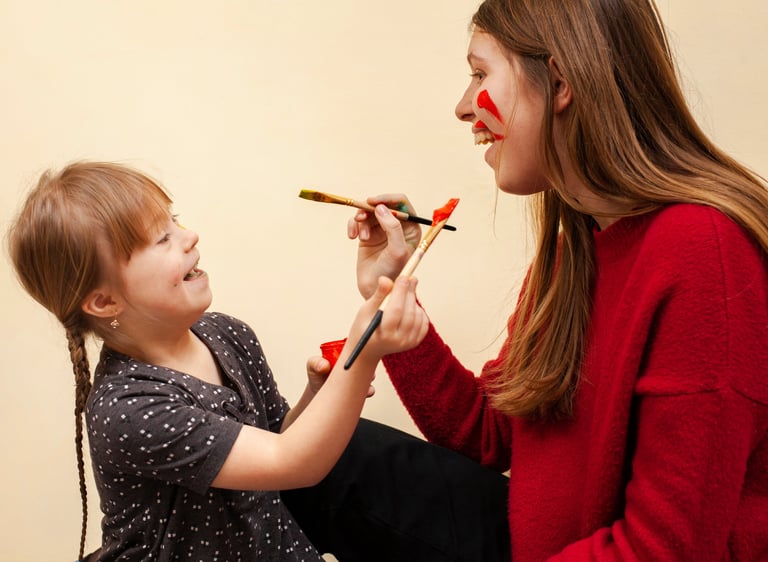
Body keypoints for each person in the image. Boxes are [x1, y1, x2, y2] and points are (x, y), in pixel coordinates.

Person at [346, 0, 768, 560]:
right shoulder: (578, 252)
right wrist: (392, 291)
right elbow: (489, 433)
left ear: (561, 82)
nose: (462, 108)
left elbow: (665, 547)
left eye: (479, 74)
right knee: (336, 462)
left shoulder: (701, 252)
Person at [7, 161, 432, 562]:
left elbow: (274, 443)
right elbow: (292, 462)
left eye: (175, 220)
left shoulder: (227, 334)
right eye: (162, 238)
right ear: (105, 301)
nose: (189, 236)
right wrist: (363, 355)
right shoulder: (129, 408)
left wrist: (317, 397)